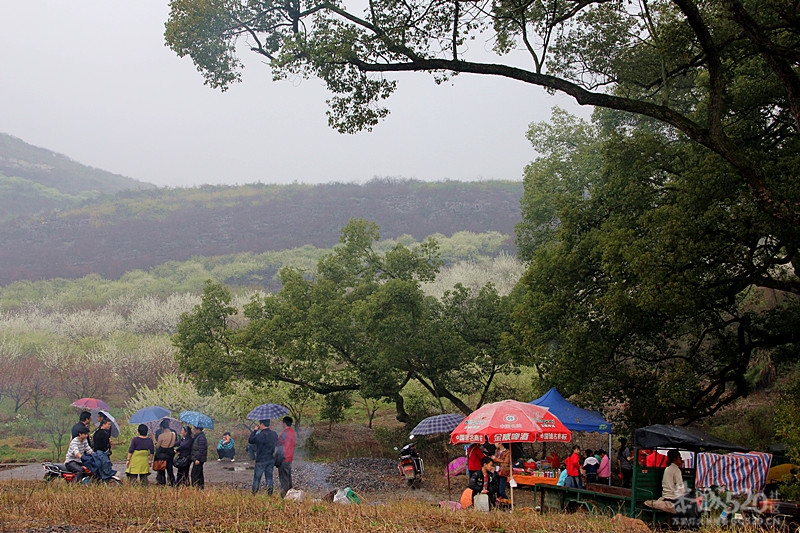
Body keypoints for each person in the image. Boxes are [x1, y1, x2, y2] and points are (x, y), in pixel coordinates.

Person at [661, 449, 698, 524]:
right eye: (680, 457)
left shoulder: (667, 468)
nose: (681, 459)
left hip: (665, 495)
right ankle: (693, 524)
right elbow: (680, 488)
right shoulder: (676, 470)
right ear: (674, 459)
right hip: (673, 497)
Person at [249, 419, 278, 495]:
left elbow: (250, 440)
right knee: (269, 478)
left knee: (257, 479)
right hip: (270, 459)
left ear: (261, 424)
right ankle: (270, 494)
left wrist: (255, 430)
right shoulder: (274, 434)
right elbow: (277, 442)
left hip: (260, 460)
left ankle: (254, 494)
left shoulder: (260, 435)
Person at [276, 416, 296, 497]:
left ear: (284, 423)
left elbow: (278, 442)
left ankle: (285, 495)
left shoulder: (285, 433)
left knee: (284, 478)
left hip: (283, 457)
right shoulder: (292, 432)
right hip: (289, 457)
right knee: (288, 476)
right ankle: (291, 493)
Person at [155, 419, 177, 486]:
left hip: (162, 454)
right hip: (170, 453)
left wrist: (154, 440)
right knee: (170, 470)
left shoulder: (161, 436)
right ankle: (173, 483)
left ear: (162, 427)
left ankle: (163, 484)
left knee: (162, 470)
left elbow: (157, 446)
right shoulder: (173, 434)